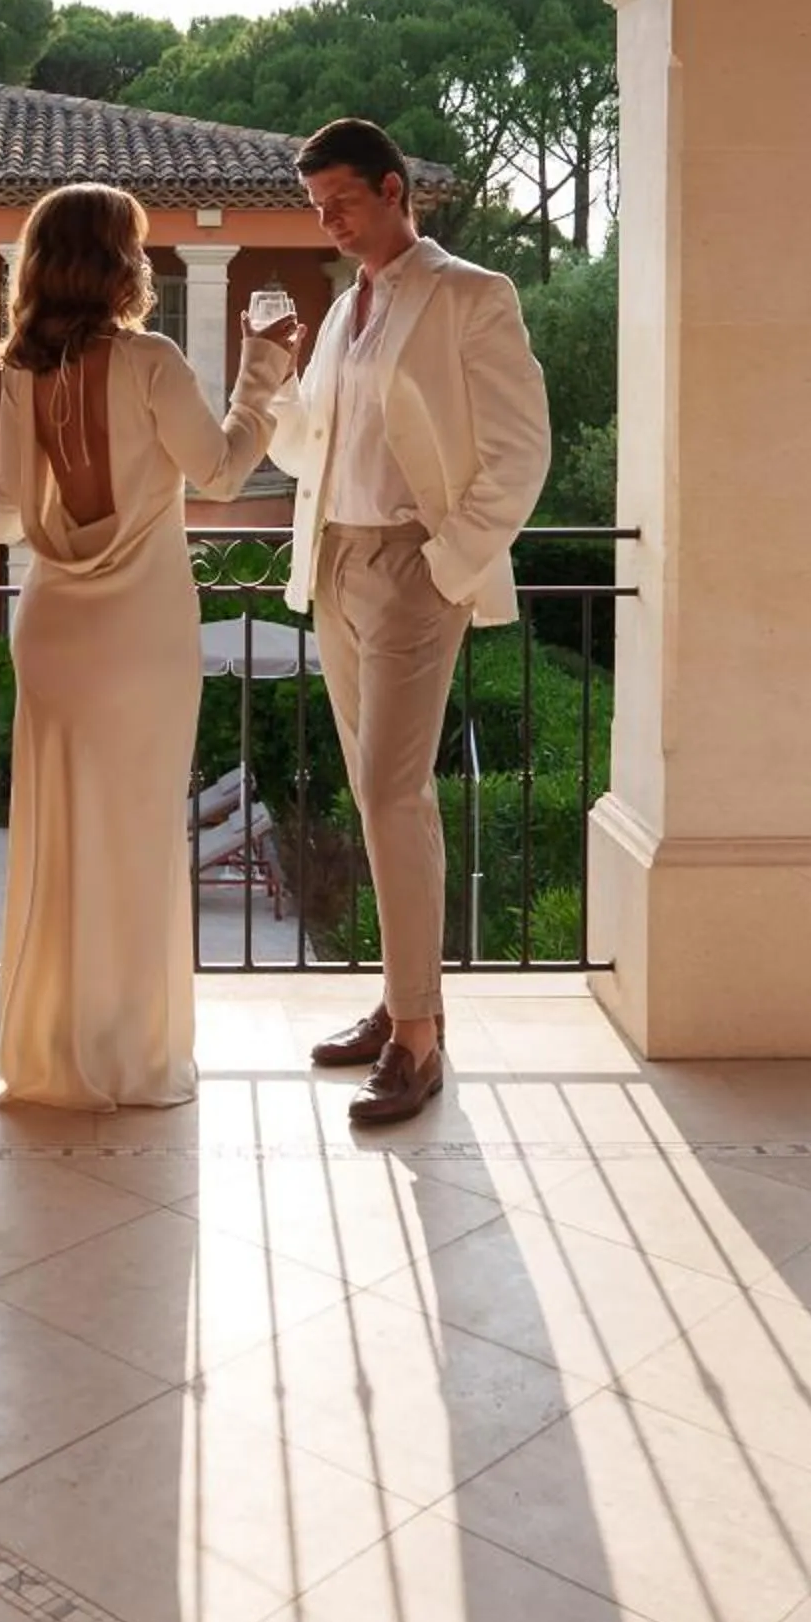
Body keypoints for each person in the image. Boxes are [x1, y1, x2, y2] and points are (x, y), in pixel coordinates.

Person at [0, 184, 300, 1110]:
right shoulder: (151, 360)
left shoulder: (19, 372)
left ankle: (52, 1049)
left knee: (59, 836)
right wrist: (262, 371)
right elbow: (221, 475)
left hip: (54, 631)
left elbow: (6, 508)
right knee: (140, 836)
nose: (145, 264)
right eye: (138, 249)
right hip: (143, 632)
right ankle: (129, 1051)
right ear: (116, 262)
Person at [270, 119, 551, 1127]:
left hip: (411, 567)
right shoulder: (344, 312)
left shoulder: (472, 294)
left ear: (394, 190)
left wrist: (444, 565)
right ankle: (401, 1004)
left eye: (342, 202)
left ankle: (418, 1042)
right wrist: (274, 384)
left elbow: (522, 449)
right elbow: (306, 451)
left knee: (391, 792)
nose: (330, 223)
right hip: (335, 562)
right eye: (318, 209)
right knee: (383, 795)